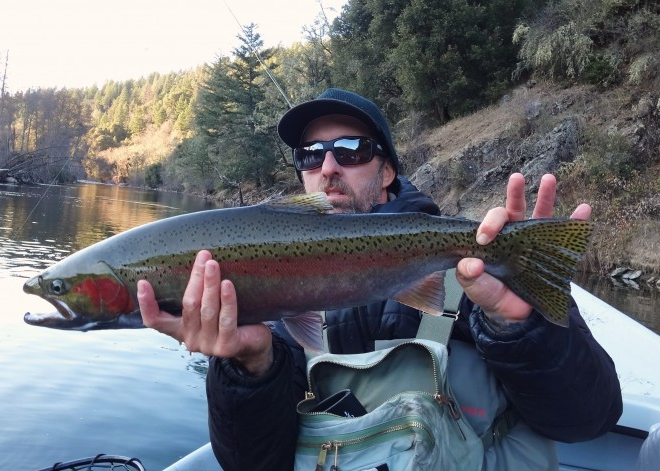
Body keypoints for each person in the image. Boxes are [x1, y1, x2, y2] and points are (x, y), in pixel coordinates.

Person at [137, 88, 622, 470]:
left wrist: (520, 327)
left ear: (387, 170)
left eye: (349, 150)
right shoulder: (276, 305)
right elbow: (253, 464)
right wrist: (249, 368)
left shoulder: (479, 278)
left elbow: (590, 419)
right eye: (310, 154)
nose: (327, 167)